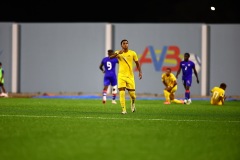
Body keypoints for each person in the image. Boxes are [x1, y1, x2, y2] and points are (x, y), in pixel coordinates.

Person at [110, 39, 142, 114]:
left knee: (133, 95)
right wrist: (117, 54)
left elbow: (137, 63)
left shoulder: (132, 53)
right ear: (121, 45)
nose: (125, 44)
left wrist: (140, 72)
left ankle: (133, 103)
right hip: (121, 76)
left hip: (130, 77)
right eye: (124, 43)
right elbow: (110, 57)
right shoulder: (118, 52)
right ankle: (124, 110)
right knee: (122, 92)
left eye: (127, 43)